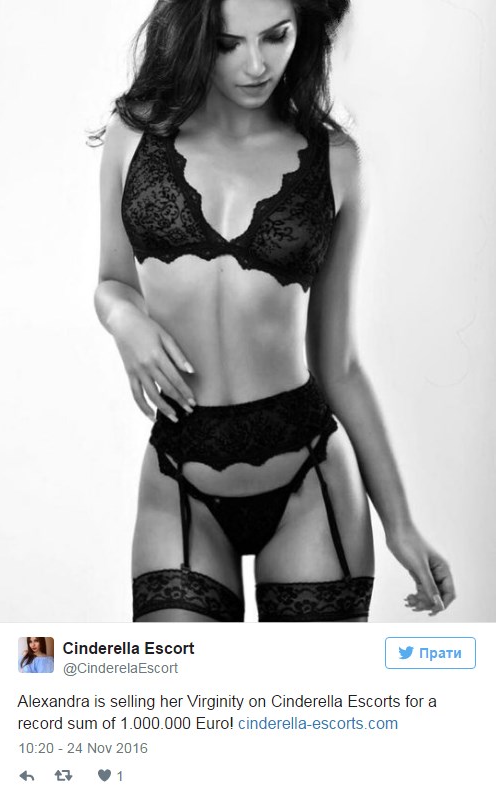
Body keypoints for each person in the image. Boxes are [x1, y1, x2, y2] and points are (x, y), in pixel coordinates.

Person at [94, 0, 455, 622]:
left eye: (276, 36)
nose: (256, 65)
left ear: (302, 29)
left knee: (305, 691)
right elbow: (111, 282)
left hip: (310, 477)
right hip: (178, 475)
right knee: (176, 688)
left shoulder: (336, 161)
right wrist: (127, 322)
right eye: (228, 43)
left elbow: (338, 363)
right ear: (195, 34)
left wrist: (400, 524)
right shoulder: (133, 138)